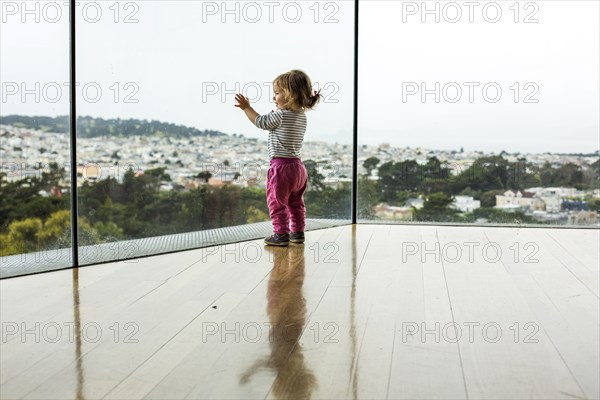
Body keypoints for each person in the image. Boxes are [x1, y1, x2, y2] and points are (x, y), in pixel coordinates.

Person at [235, 70, 321, 246]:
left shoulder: (280, 115)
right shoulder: (301, 116)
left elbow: (260, 122)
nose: (274, 97)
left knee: (277, 202)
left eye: (277, 93)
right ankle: (298, 232)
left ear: (289, 95)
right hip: (298, 168)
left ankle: (281, 234)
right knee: (296, 203)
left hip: (281, 167)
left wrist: (246, 108)